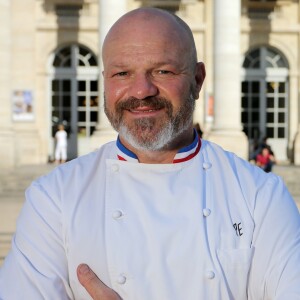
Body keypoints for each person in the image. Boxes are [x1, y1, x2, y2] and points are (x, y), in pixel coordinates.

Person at [0, 7, 299, 300]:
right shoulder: (53, 199)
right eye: (122, 73)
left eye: (162, 71)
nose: (142, 90)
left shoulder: (261, 196)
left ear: (197, 79)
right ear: (105, 82)